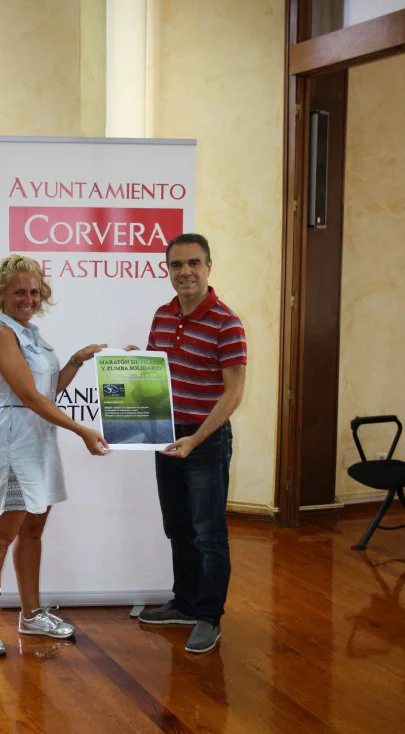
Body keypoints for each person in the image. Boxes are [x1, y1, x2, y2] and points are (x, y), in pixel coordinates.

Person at [0, 254, 110, 658]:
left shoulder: (31, 334)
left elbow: (48, 390)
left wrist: (76, 361)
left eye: (34, 292)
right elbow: (29, 397)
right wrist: (82, 429)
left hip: (40, 441)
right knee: (0, 535)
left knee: (33, 530)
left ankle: (31, 615)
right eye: (19, 292)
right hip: (15, 441)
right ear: (1, 293)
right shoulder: (0, 335)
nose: (28, 298)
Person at [133, 233, 247, 654]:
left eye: (193, 263)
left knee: (209, 534)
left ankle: (208, 616)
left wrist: (197, 439)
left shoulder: (226, 322)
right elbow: (152, 375)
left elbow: (233, 394)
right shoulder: (162, 316)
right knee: (178, 527)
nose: (185, 272)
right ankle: (183, 603)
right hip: (166, 437)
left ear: (209, 266)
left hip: (205, 439)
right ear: (168, 270)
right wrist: (132, 364)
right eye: (176, 265)